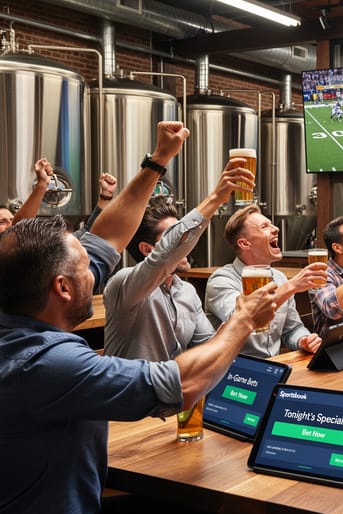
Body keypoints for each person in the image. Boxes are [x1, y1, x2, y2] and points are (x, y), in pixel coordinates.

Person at [0, 121, 279, 513]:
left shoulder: (26, 304)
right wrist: (244, 320)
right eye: (86, 271)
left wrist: (159, 159)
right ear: (62, 288)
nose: (97, 273)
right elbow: (183, 384)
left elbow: (110, 236)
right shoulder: (44, 363)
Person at [103, 157, 255, 362]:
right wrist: (215, 198)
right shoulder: (125, 284)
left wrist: (243, 315)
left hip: (173, 391)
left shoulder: (186, 292)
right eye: (176, 239)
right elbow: (163, 259)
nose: (188, 245)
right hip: (132, 392)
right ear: (148, 250)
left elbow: (210, 349)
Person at [205, 204, 327, 357]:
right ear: (244, 243)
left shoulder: (280, 278)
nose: (276, 228)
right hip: (235, 371)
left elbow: (292, 328)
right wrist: (292, 286)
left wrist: (303, 340)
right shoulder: (221, 281)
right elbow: (242, 319)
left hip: (272, 368)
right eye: (265, 227)